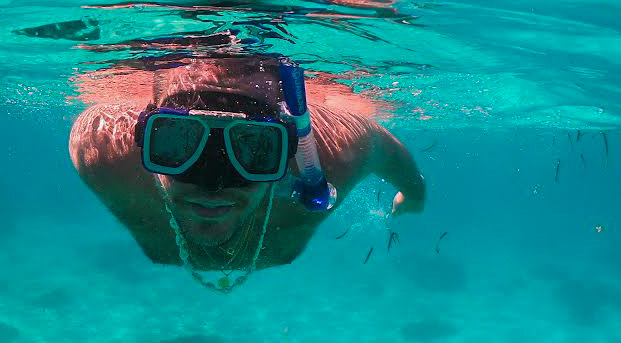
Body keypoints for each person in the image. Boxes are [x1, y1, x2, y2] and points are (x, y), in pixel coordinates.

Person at [67, 53, 426, 290]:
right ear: (142, 139)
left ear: (288, 154)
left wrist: (414, 193)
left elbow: (390, 152)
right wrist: (412, 195)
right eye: (179, 144)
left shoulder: (334, 157)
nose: (211, 184)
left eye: (254, 149)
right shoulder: (103, 151)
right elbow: (392, 158)